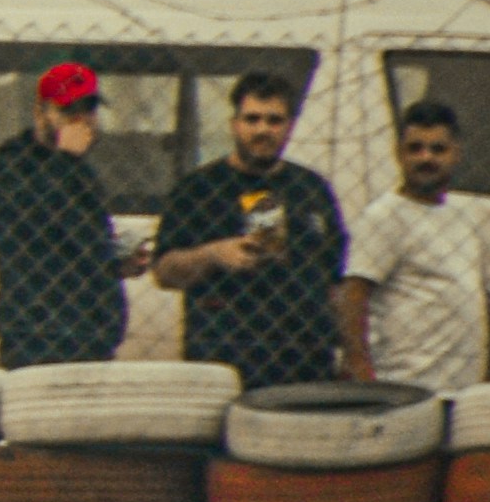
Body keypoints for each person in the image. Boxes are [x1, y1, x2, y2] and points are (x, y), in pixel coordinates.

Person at [143, 67, 350, 389]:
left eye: (274, 120)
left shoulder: (312, 189)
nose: (262, 130)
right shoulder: (198, 188)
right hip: (226, 359)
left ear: (290, 126)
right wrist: (213, 254)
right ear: (234, 124)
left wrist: (348, 352)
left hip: (304, 361)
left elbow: (336, 282)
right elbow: (164, 272)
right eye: (252, 119)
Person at [0, 60, 128, 370]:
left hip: (91, 337)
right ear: (41, 113)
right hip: (39, 338)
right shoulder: (14, 163)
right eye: (67, 111)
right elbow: (30, 222)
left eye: (87, 110)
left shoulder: (79, 170)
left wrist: (116, 259)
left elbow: (80, 241)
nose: (79, 122)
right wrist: (65, 159)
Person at [351, 98, 490, 393]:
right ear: (398, 154)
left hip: (462, 391)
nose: (426, 158)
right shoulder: (384, 216)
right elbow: (352, 296)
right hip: (406, 389)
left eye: (438, 149)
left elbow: (481, 302)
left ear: (456, 154)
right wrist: (362, 375)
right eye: (415, 148)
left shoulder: (463, 217)